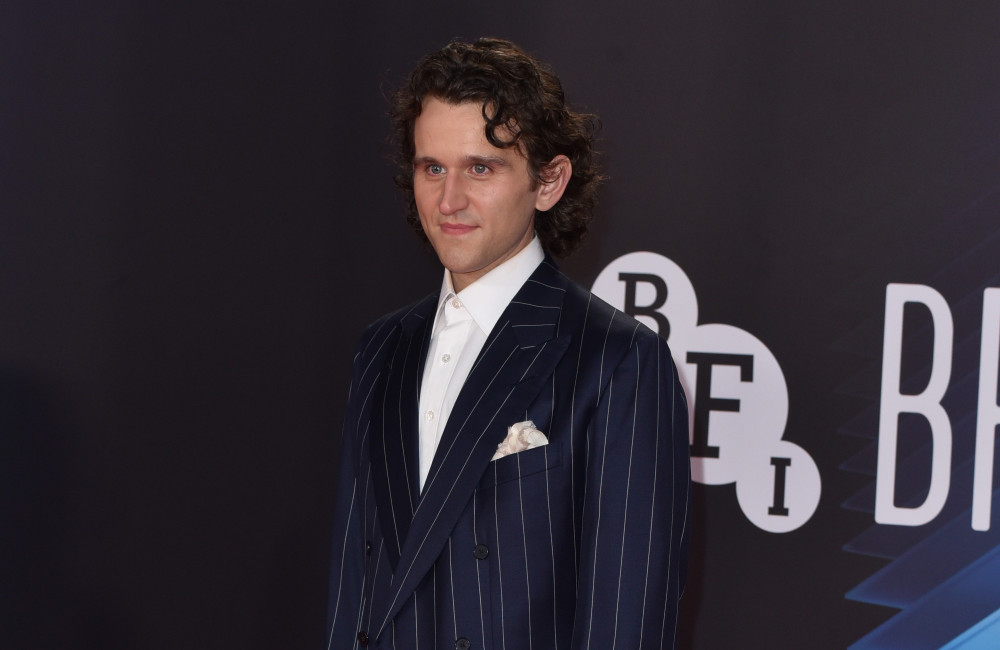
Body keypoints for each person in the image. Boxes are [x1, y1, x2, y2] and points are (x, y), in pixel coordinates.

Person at [325, 37, 690, 650]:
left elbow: (626, 622)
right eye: (432, 167)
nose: (449, 201)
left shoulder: (618, 360)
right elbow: (353, 586)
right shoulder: (382, 348)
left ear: (548, 182)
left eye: (481, 168)